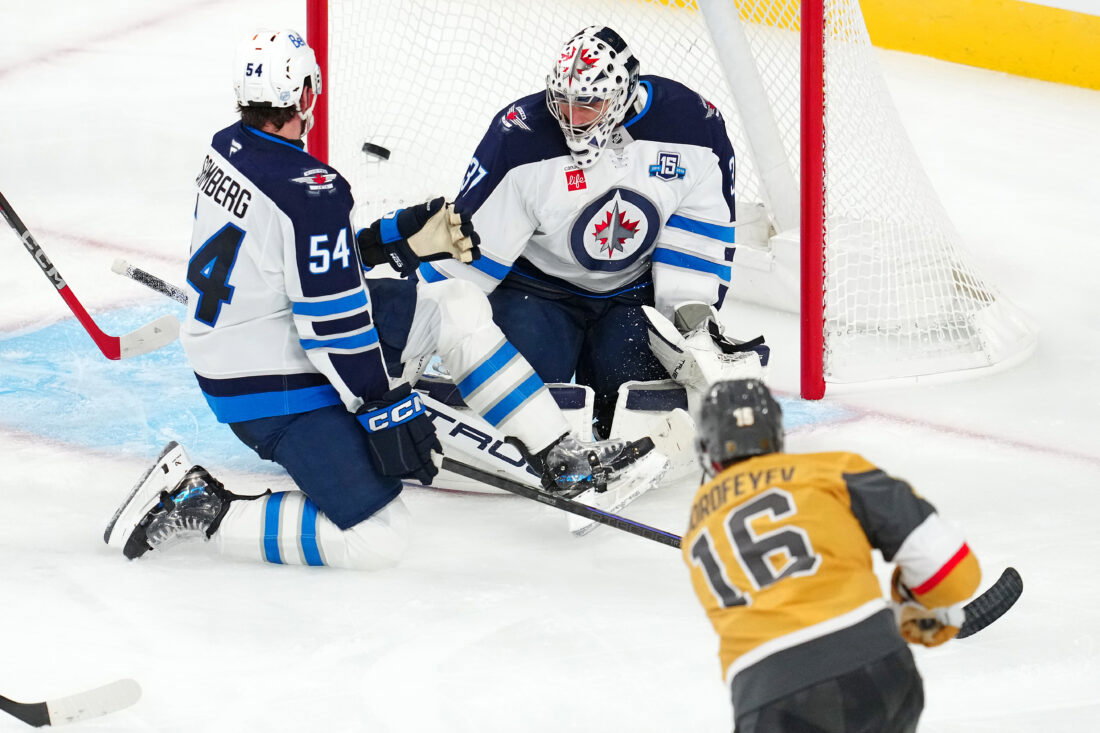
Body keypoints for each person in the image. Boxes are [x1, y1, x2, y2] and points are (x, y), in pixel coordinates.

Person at [103, 28, 660, 571]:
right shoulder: (312, 191)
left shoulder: (226, 146)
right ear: (305, 94)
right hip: (269, 385)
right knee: (376, 537)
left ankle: (560, 453)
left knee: (455, 304)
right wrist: (383, 408)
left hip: (244, 340)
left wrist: (390, 239)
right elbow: (333, 324)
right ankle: (203, 507)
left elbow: (293, 257)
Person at [407, 26, 765, 438]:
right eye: (562, 101)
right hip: (536, 287)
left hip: (633, 292)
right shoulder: (520, 139)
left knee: (640, 408)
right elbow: (470, 254)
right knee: (523, 404)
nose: (572, 119)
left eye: (589, 103)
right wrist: (422, 334)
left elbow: (697, 240)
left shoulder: (693, 127)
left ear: (623, 95)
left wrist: (692, 323)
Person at [683, 379, 982, 732]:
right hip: (879, 671)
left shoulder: (696, 530)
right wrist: (911, 604)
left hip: (770, 696)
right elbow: (953, 572)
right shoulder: (833, 471)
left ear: (708, 448)